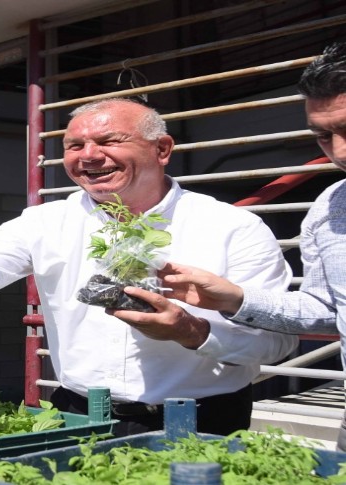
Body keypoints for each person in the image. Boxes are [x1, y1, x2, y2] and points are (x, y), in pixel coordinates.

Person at [0, 98, 298, 437]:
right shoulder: (47, 222)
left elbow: (277, 341)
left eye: (108, 141)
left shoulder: (231, 226)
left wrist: (192, 331)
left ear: (162, 149)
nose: (87, 156)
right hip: (77, 414)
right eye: (74, 145)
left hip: (202, 419)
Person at [155, 41, 346, 450]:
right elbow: (328, 312)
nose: (339, 151)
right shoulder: (330, 208)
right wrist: (235, 299)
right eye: (324, 136)